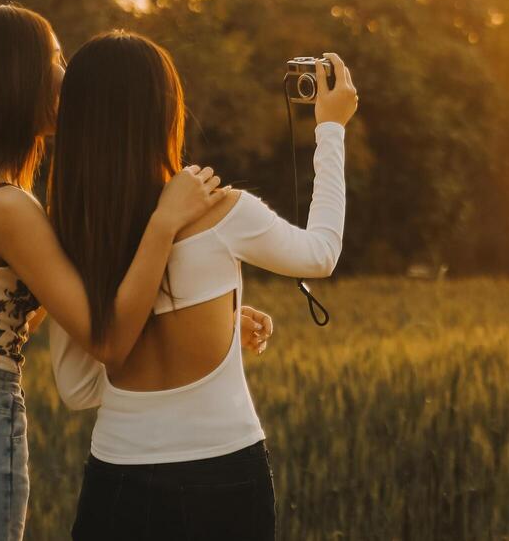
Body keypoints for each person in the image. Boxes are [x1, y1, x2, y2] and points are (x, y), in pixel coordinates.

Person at [0, 4, 254, 541]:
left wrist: (203, 309)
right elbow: (107, 338)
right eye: (54, 58)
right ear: (11, 80)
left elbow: (32, 306)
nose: (66, 73)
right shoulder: (10, 208)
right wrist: (164, 222)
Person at [47, 34, 357, 541]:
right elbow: (321, 253)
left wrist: (206, 323)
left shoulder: (67, 237)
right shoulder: (222, 210)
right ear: (164, 114)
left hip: (118, 480)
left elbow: (78, 388)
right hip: (226, 477)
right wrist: (330, 129)